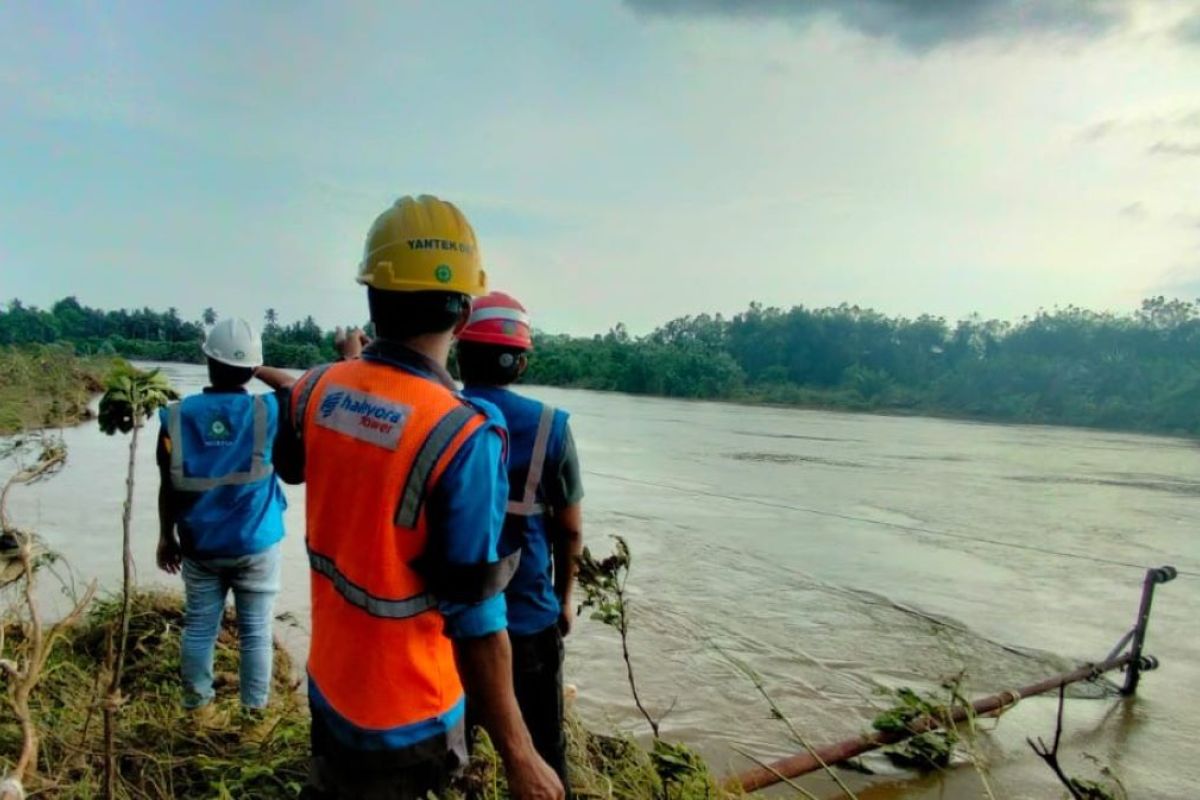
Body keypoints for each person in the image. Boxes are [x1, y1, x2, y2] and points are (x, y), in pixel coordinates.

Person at [255, 194, 564, 800]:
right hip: (410, 715)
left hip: (331, 682)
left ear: (371, 294)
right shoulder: (463, 435)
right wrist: (521, 757)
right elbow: (476, 619)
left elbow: (291, 467)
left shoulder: (317, 389)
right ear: (466, 308)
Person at [457, 292, 584, 791]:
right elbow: (569, 529)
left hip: (453, 616)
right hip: (529, 616)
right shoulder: (552, 427)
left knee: (455, 745)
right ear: (522, 361)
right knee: (543, 749)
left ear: (461, 353)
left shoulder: (441, 413)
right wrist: (565, 599)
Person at [156, 317, 287, 729]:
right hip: (256, 545)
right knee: (255, 634)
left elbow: (167, 486)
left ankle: (198, 712)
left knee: (198, 629)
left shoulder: (176, 417)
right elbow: (296, 388)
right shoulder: (265, 410)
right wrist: (255, 368)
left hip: (200, 544)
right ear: (251, 368)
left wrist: (166, 536)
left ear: (206, 361)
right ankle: (254, 722)